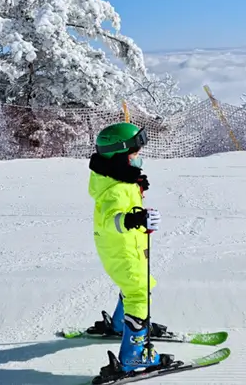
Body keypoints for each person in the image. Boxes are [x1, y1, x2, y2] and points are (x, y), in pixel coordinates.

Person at [89, 122, 170, 376]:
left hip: (127, 246)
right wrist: (135, 220)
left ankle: (119, 326)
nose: (138, 157)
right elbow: (110, 219)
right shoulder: (114, 190)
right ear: (119, 154)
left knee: (142, 284)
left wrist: (135, 184)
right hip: (120, 249)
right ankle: (134, 356)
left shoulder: (117, 178)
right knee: (138, 292)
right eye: (134, 153)